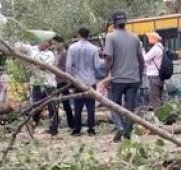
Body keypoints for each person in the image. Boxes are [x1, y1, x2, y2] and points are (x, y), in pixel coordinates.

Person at [102, 11, 144, 142]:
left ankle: (120, 126)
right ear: (125, 23)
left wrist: (105, 76)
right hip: (133, 79)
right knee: (130, 108)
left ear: (114, 24)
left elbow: (108, 58)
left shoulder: (111, 37)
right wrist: (140, 76)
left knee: (114, 105)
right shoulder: (135, 37)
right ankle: (127, 133)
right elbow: (141, 60)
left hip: (118, 79)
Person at [18, 39, 59, 136]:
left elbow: (46, 66)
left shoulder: (50, 54)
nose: (48, 45)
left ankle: (54, 130)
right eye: (47, 42)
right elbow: (18, 46)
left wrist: (34, 65)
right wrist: (25, 63)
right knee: (36, 107)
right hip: (37, 83)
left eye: (49, 43)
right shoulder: (31, 49)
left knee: (52, 107)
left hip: (49, 83)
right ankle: (32, 127)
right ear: (42, 41)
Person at [67, 27, 102, 136]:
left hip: (77, 80)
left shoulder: (72, 48)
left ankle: (77, 128)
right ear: (88, 35)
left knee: (77, 106)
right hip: (90, 80)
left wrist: (71, 79)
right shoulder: (94, 48)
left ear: (78, 34)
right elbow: (97, 65)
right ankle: (91, 128)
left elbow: (68, 66)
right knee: (91, 106)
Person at [53, 36, 75, 132]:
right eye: (54, 44)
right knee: (55, 104)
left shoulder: (65, 53)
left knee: (66, 104)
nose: (55, 45)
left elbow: (67, 68)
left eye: (56, 43)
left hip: (63, 81)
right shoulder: (56, 53)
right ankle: (54, 125)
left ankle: (71, 124)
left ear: (61, 43)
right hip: (56, 81)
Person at [144, 32, 165, 109]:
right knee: (160, 97)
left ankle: (157, 116)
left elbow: (145, 59)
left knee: (154, 98)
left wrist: (142, 52)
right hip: (159, 75)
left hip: (154, 76)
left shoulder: (155, 49)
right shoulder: (161, 48)